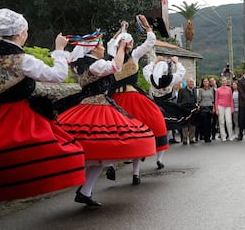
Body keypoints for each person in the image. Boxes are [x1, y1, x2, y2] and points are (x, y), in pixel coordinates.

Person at [0, 8, 86, 213]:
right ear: (21, 33)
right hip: (17, 117)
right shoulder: (24, 60)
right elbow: (56, 75)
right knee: (44, 156)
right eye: (26, 31)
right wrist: (58, 50)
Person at [56, 32, 155, 202]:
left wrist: (60, 48)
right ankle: (83, 189)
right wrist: (122, 48)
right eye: (100, 46)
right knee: (101, 149)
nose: (103, 48)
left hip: (84, 105)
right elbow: (115, 66)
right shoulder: (96, 65)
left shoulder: (79, 63)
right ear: (94, 49)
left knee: (96, 156)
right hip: (97, 107)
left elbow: (64, 57)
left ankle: (85, 192)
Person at [108, 15, 169, 170]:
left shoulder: (113, 55)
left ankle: (114, 165)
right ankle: (133, 171)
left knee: (117, 130)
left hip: (116, 98)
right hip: (131, 97)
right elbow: (150, 41)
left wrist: (123, 29)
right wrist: (146, 26)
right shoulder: (130, 55)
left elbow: (110, 43)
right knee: (147, 123)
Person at [177, 77, 198, 144]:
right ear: (187, 83)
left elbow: (196, 100)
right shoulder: (182, 90)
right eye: (190, 82)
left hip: (193, 109)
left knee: (193, 124)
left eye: (192, 82)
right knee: (185, 124)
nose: (192, 83)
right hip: (184, 109)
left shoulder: (194, 90)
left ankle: (191, 138)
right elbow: (179, 101)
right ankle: (185, 139)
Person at [215, 77, 234, 141]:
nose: (224, 82)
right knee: (221, 122)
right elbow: (216, 100)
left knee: (229, 121)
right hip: (220, 106)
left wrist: (232, 108)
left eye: (225, 81)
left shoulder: (229, 89)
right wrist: (216, 109)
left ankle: (230, 135)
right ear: (221, 82)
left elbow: (231, 99)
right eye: (223, 81)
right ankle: (223, 136)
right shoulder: (218, 90)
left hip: (228, 106)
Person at [197, 77, 215, 143]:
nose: (206, 82)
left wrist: (213, 107)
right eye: (204, 81)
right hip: (203, 108)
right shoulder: (201, 90)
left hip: (210, 107)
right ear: (203, 83)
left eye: (207, 81)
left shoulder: (211, 89)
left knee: (209, 123)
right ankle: (205, 137)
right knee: (204, 123)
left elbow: (213, 100)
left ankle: (209, 136)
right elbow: (199, 99)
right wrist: (199, 105)